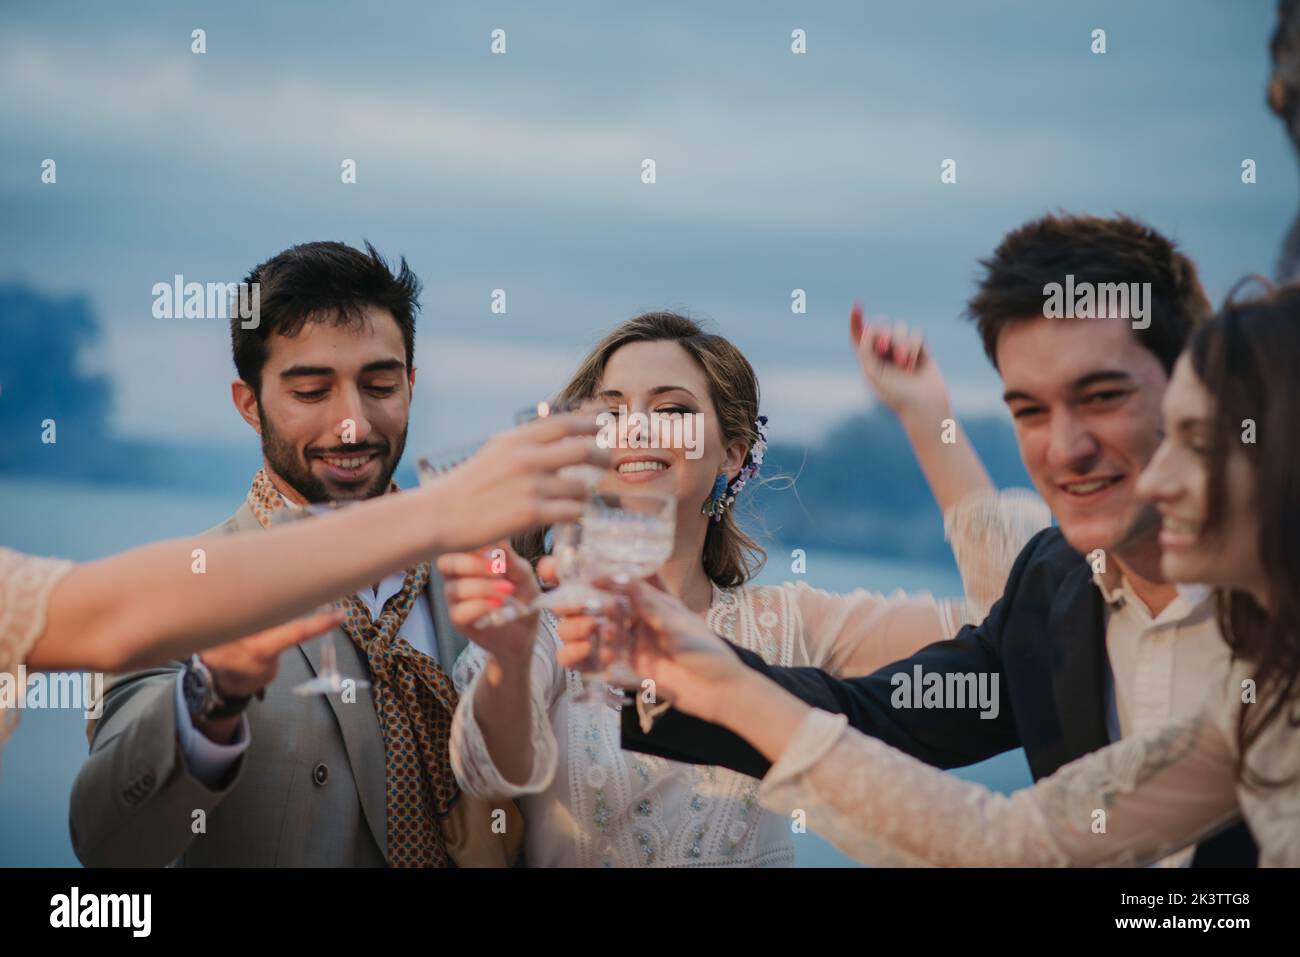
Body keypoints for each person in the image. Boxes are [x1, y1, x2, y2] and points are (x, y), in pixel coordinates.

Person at [583, 213, 1259, 866]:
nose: (1066, 447)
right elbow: (878, 720)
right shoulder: (1051, 592)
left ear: (1198, 391)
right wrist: (689, 669)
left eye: (1104, 396)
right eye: (1028, 409)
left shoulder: (1272, 626)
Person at [436, 308, 1048, 867]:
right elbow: (492, 775)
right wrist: (509, 663)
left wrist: (925, 413)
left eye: (671, 411)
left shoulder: (789, 625)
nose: (638, 429)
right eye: (612, 410)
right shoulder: (543, 626)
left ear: (731, 454)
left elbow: (1014, 624)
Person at [65, 241, 602, 868]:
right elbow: (109, 844)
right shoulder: (182, 590)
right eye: (312, 392)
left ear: (411, 385)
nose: (352, 424)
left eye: (378, 385)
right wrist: (212, 692)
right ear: (249, 403)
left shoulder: (487, 575)